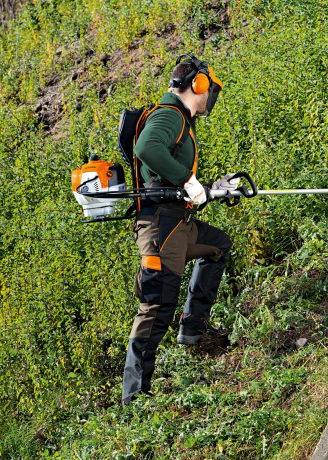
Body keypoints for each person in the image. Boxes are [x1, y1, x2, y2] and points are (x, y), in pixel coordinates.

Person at [122, 54, 239, 405]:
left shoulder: (181, 122)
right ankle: (135, 398)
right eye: (210, 89)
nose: (211, 97)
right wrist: (188, 179)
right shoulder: (169, 115)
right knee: (156, 306)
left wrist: (209, 187)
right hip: (161, 229)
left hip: (180, 224)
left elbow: (172, 176)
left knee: (218, 246)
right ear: (198, 85)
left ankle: (193, 329)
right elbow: (147, 148)